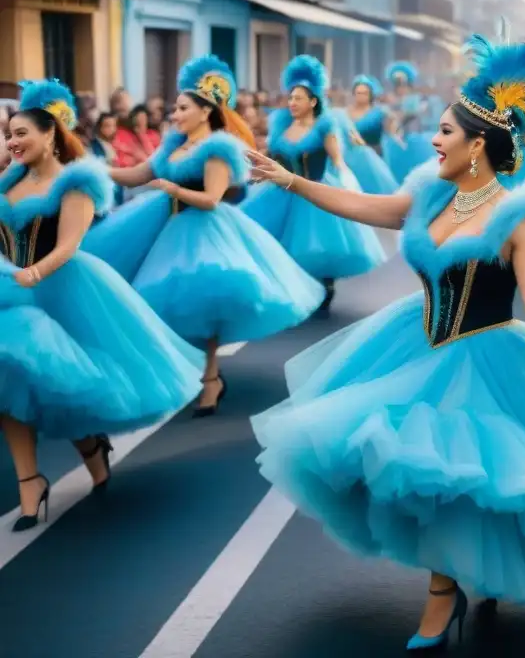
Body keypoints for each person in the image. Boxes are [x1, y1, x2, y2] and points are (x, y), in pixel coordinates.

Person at [247, 33, 525, 651]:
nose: (434, 139)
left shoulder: (517, 218)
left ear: (478, 146)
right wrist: (290, 181)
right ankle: (465, 583)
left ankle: (442, 600)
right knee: (441, 475)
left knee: (465, 474)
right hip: (418, 344)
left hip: (490, 357)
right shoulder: (431, 195)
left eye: (446, 132)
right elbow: (363, 204)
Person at [0, 79, 204, 530]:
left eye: (21, 133)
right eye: (9, 134)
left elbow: (68, 246)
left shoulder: (77, 182)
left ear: (50, 133)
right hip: (9, 295)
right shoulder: (6, 181)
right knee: (8, 387)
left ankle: (91, 446)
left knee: (63, 385)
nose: (13, 142)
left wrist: (33, 273)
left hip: (60, 290)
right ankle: (29, 482)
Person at [81, 55, 324, 416]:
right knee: (157, 304)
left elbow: (211, 199)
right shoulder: (171, 145)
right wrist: (87, 168)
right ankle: (185, 370)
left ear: (203, 112)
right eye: (175, 108)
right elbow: (135, 175)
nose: (174, 115)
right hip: (165, 227)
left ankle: (210, 378)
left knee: (203, 300)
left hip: (205, 230)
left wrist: (171, 189)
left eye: (181, 108)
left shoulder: (217, 148)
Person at [240, 55, 385, 310]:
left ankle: (322, 287)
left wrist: (347, 186)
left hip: (314, 191)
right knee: (273, 244)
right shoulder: (281, 126)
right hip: (281, 192)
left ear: (313, 101)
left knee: (313, 245)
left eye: (298, 98)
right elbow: (273, 158)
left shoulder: (324, 126)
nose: (292, 102)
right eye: (291, 97)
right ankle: (292, 290)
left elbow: (337, 160)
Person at [339, 75, 400, 195]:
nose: (361, 96)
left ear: (371, 94)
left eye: (364, 93)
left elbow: (392, 132)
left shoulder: (380, 112)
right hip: (350, 159)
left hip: (374, 158)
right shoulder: (344, 113)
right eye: (358, 93)